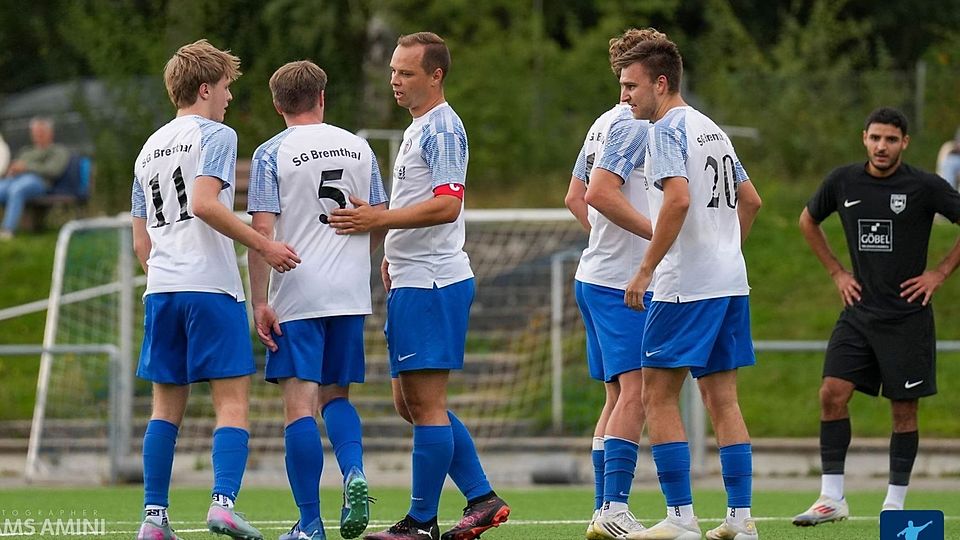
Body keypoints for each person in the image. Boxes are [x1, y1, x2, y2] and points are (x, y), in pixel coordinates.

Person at [328, 32, 510, 540]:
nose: (395, 81)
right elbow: (420, 200)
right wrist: (390, 247)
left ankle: (420, 522)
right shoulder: (418, 128)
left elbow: (447, 204)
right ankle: (481, 497)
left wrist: (378, 221)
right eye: (392, 71)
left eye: (406, 73)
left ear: (436, 76)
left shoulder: (444, 129)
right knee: (408, 404)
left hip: (432, 282)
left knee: (425, 405)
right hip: (412, 278)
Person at [131, 39, 300, 540]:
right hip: (210, 289)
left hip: (162, 289)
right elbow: (206, 203)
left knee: (165, 409)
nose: (228, 98)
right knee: (232, 403)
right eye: (225, 87)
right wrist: (264, 246)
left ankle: (153, 519)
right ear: (205, 87)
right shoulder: (217, 135)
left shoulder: (148, 148)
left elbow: (141, 240)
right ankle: (222, 503)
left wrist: (167, 272)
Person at [616, 36, 763, 540]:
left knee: (657, 395)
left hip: (685, 287)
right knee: (724, 400)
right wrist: (725, 252)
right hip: (728, 283)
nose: (626, 96)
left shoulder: (664, 130)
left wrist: (645, 270)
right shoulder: (712, 130)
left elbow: (676, 202)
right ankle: (741, 522)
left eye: (632, 86)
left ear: (661, 83)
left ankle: (680, 519)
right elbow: (752, 201)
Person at [793, 107, 960, 526]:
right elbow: (808, 221)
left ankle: (895, 505)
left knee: (904, 410)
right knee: (832, 393)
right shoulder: (843, 181)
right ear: (863, 138)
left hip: (908, 318)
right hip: (858, 313)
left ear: (904, 143)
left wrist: (939, 272)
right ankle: (831, 498)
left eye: (890, 139)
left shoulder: (924, 186)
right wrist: (836, 272)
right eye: (875, 138)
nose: (881, 146)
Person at [247, 60, 388, 540]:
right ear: (322, 97)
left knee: (299, 408)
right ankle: (354, 473)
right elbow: (378, 218)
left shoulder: (271, 153)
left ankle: (310, 524)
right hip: (349, 292)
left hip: (297, 293)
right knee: (337, 397)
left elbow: (262, 232)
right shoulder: (359, 146)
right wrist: (350, 259)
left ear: (277, 103)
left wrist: (259, 301)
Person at [564, 27, 662, 540]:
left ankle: (604, 509)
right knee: (637, 393)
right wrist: (657, 240)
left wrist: (603, 239)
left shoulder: (603, 121)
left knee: (615, 396)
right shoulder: (632, 125)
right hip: (621, 283)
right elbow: (598, 195)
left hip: (594, 274)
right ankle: (615, 507)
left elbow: (573, 197)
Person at [0, 117, 70, 239]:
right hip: (16, 179)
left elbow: (53, 171)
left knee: (17, 189)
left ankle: (7, 231)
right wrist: (12, 170)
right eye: (35, 132)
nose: (38, 135)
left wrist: (26, 167)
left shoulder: (58, 151)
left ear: (50, 133)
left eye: (41, 132)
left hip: (39, 182)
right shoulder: (26, 151)